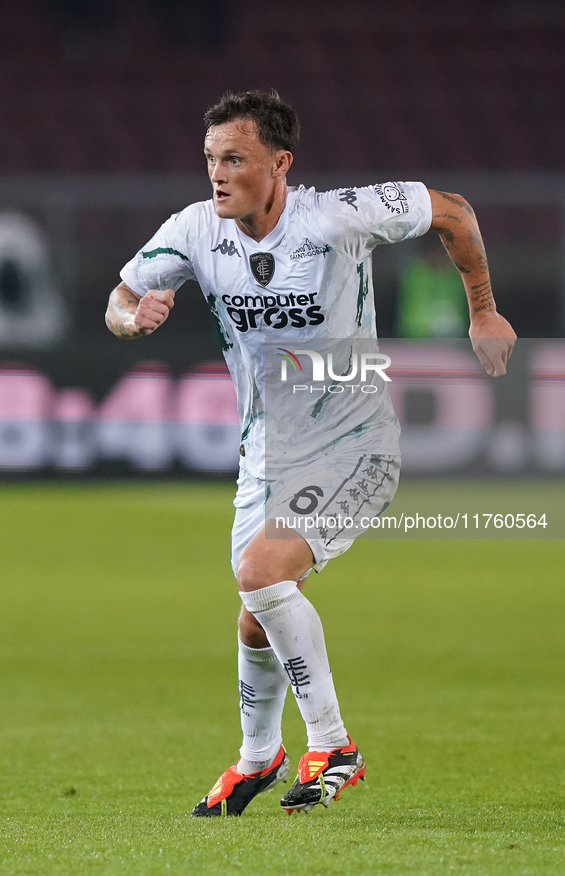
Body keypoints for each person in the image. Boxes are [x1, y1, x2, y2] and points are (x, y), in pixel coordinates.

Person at [105, 90, 515, 817]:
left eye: (234, 159)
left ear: (280, 163)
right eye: (210, 159)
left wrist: (482, 306)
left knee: (260, 574)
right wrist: (131, 319)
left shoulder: (335, 218)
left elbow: (451, 208)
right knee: (254, 613)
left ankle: (333, 743)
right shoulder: (195, 231)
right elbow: (120, 294)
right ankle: (258, 758)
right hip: (264, 451)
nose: (217, 174)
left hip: (353, 444)